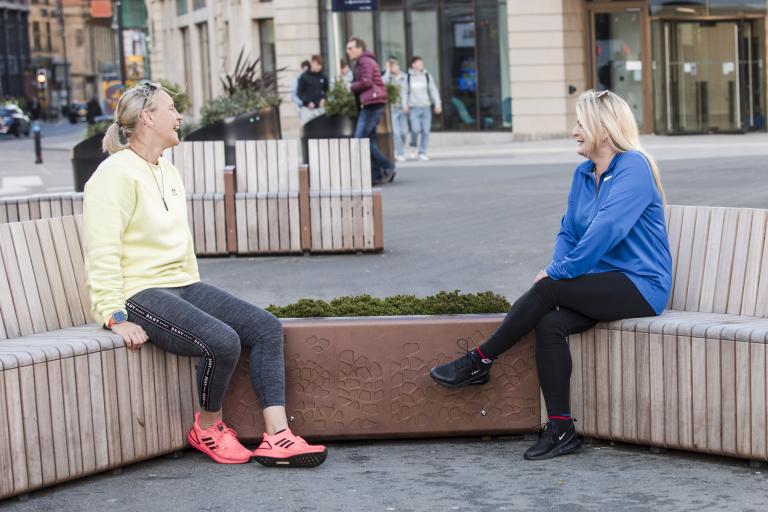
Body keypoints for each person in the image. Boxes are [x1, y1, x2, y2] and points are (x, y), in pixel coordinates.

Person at [84, 82, 328, 467]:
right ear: (148, 117)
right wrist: (113, 315)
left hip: (183, 284)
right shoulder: (113, 175)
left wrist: (197, 290)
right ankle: (209, 427)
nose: (179, 117)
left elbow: (180, 246)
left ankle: (277, 435)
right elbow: (102, 250)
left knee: (265, 326)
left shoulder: (168, 171)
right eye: (171, 109)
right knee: (222, 339)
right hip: (139, 293)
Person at [430, 89, 672, 461]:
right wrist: (557, 268)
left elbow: (606, 229)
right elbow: (569, 232)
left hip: (640, 285)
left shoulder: (634, 167)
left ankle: (480, 360)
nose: (574, 131)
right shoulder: (584, 173)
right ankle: (561, 430)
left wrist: (559, 273)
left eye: (580, 123)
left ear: (603, 130)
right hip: (600, 283)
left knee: (549, 291)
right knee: (550, 323)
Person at [346, 36, 396, 185]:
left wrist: (351, 86)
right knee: (370, 140)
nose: (348, 51)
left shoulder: (364, 61)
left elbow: (367, 82)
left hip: (372, 104)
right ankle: (376, 176)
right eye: (347, 48)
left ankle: (387, 166)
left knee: (359, 140)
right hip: (371, 103)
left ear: (360, 48)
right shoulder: (363, 61)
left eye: (351, 48)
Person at [402, 56, 442, 161]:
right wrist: (404, 104)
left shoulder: (427, 76)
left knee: (425, 131)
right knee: (415, 129)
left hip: (426, 107)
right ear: (413, 64)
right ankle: (413, 144)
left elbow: (433, 91)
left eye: (421, 62)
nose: (421, 64)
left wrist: (437, 104)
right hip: (413, 108)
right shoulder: (408, 77)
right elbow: (404, 92)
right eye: (419, 62)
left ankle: (422, 152)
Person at [382, 58, 408, 163]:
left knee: (404, 132)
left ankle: (400, 149)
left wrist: (405, 104)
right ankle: (400, 153)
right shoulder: (388, 78)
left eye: (396, 66)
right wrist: (387, 70)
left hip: (402, 108)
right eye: (393, 66)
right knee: (396, 133)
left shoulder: (404, 77)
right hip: (392, 108)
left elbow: (405, 92)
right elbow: (382, 82)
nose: (395, 68)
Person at [297, 54, 329, 126]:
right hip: (307, 109)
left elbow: (327, 91)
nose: (318, 67)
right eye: (316, 64)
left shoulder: (323, 76)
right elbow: (299, 93)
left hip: (320, 109)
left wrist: (324, 99)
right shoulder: (304, 76)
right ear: (312, 63)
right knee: (306, 130)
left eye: (320, 65)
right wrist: (307, 102)